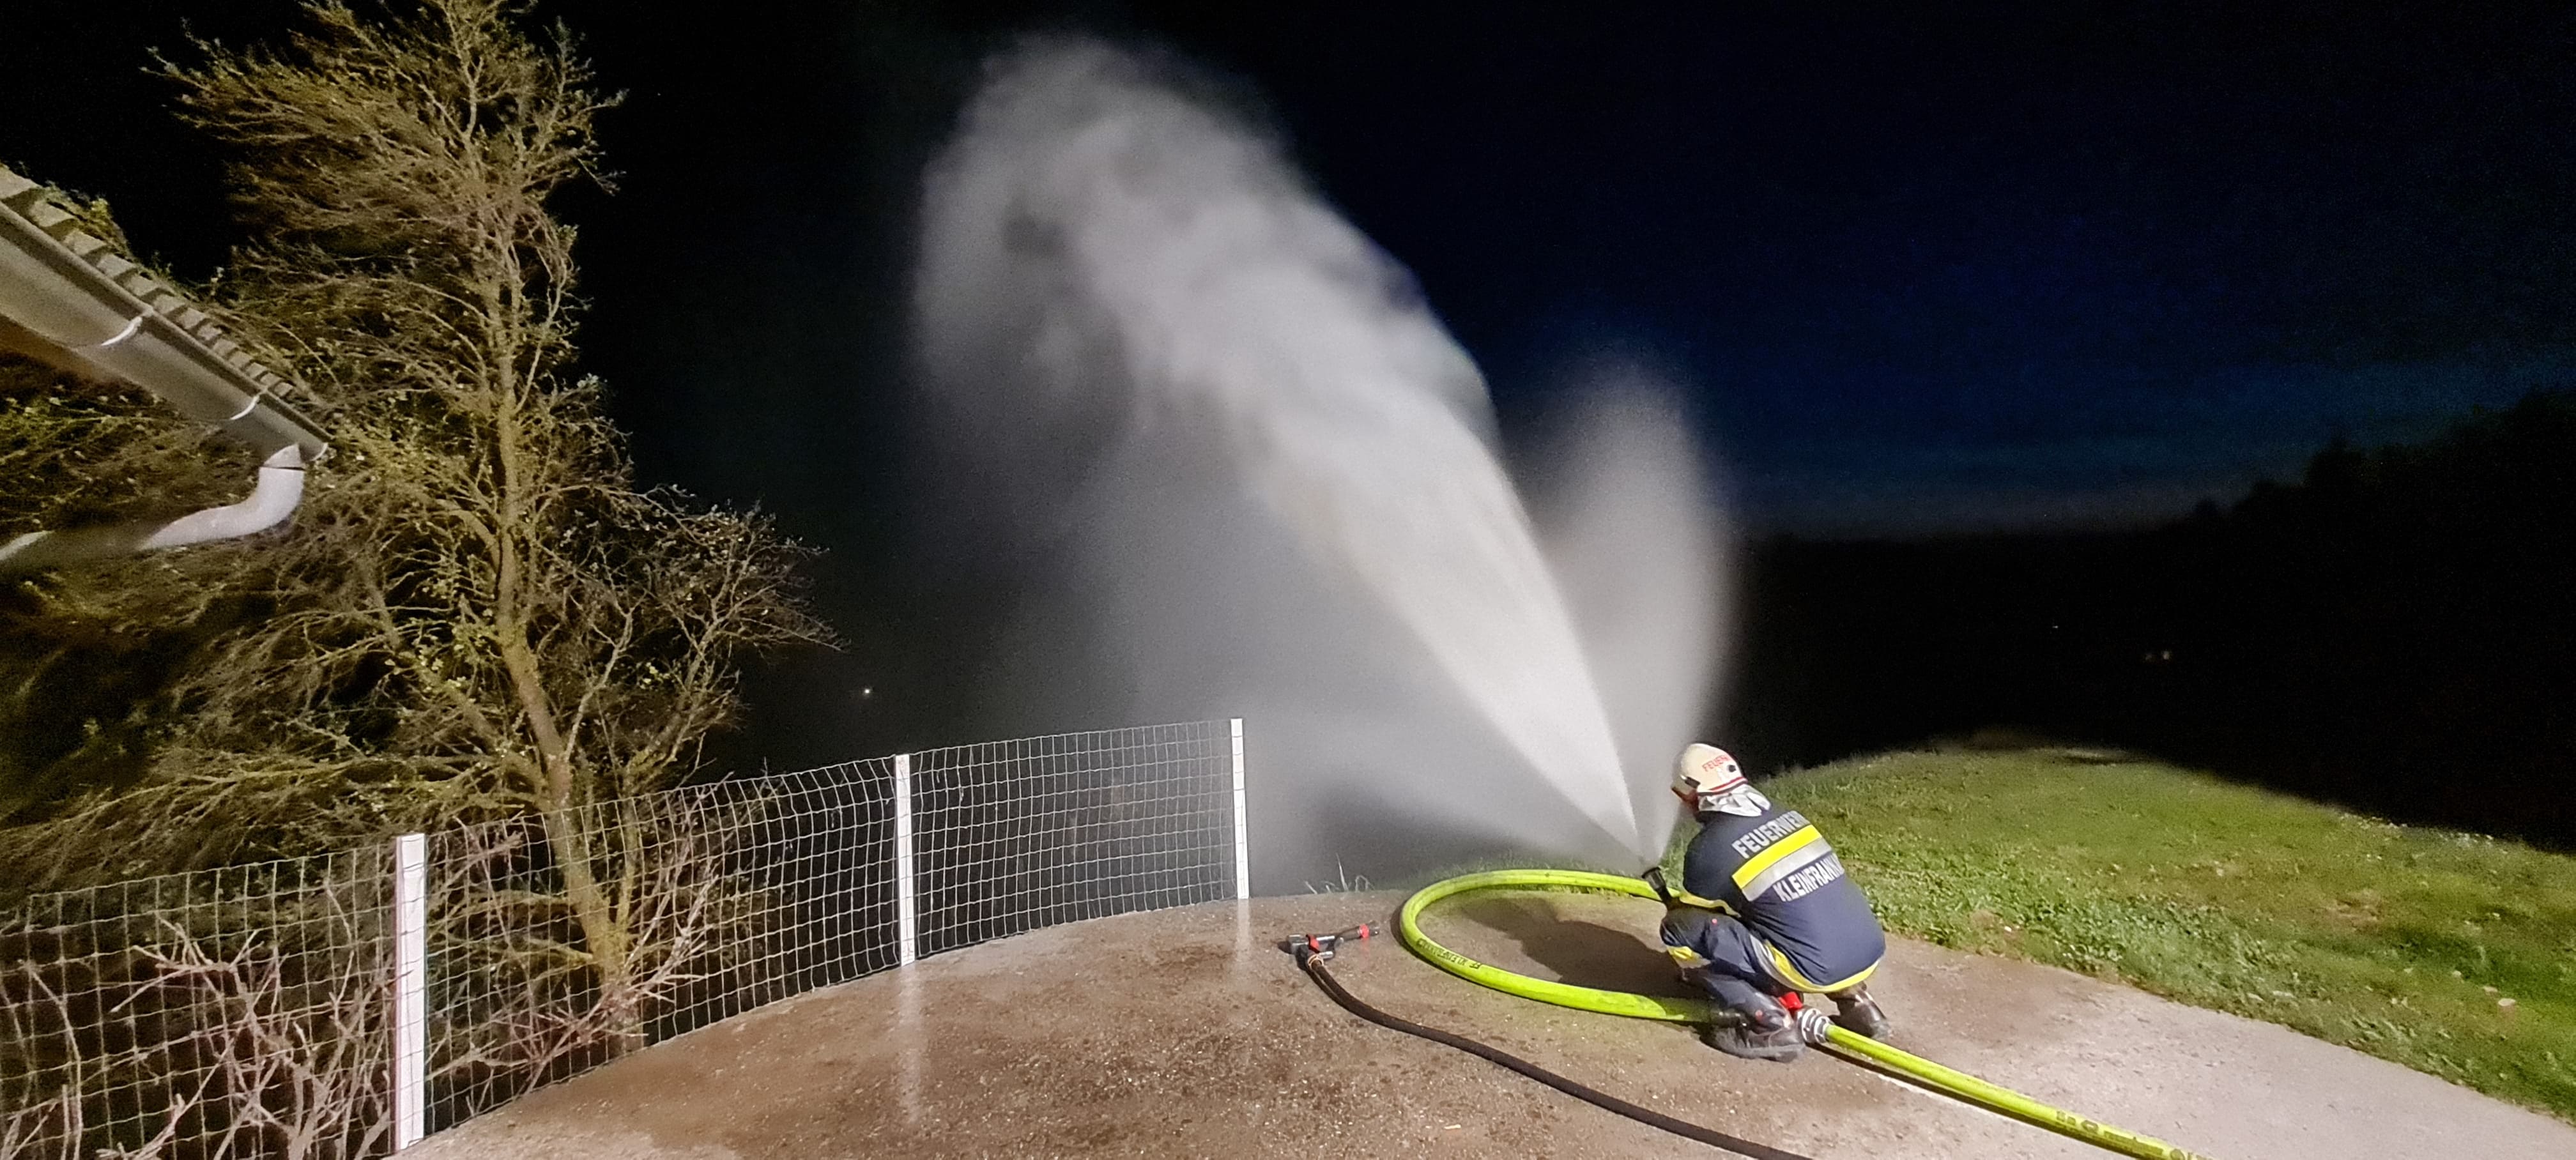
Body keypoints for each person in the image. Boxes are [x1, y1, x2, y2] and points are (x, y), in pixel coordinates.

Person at [1659, 743, 1890, 1061]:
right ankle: (1861, 1009)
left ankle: (1770, 1024)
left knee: (1679, 929)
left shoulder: (1708, 848)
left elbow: (1695, 918)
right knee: (1799, 914)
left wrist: (1691, 955)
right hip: (1866, 948)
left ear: (1689, 796)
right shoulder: (1789, 816)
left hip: (1812, 968)